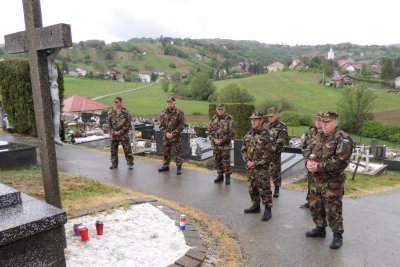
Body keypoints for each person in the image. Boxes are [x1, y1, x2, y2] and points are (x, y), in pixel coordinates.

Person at [305, 111, 353, 249]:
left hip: (332, 182)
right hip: (316, 179)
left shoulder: (343, 138)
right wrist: (309, 162)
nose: (323, 125)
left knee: (333, 209)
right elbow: (312, 152)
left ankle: (337, 235)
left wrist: (318, 166)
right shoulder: (320, 136)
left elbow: (340, 161)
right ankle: (320, 228)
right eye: (322, 122)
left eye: (327, 122)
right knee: (316, 205)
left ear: (335, 123)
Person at [242, 112, 276, 221]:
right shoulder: (249, 134)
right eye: (252, 119)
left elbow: (269, 154)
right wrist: (247, 160)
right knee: (252, 187)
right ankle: (255, 206)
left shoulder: (267, 134)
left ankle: (267, 209)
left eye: (255, 119)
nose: (253, 121)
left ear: (261, 120)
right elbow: (244, 149)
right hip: (251, 167)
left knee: (264, 188)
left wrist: (255, 163)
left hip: (262, 168)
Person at [299, 112, 324, 208]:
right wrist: (308, 159)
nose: (317, 122)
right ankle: (310, 201)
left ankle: (319, 204)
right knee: (310, 182)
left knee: (320, 184)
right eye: (316, 119)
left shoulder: (326, 134)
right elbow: (304, 146)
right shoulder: (311, 132)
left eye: (320, 120)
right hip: (310, 162)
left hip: (320, 164)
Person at [264, 107, 289, 198]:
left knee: (275, 171)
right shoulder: (266, 125)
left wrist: (271, 149)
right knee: (265, 171)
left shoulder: (281, 126)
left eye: (271, 116)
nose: (270, 118)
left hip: (275, 153)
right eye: (268, 116)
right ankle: (266, 188)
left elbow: (281, 141)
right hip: (265, 153)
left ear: (276, 116)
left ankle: (277, 189)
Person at [208, 103, 234, 185]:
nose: (220, 111)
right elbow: (209, 132)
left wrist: (221, 140)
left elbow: (231, 133)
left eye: (221, 109)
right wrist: (214, 139)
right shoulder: (213, 119)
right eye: (218, 109)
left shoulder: (229, 119)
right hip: (215, 145)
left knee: (226, 162)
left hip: (225, 145)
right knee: (217, 161)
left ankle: (227, 177)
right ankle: (220, 176)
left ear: (224, 109)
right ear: (216, 109)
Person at [158, 97, 186, 175]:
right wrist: (166, 133)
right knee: (166, 151)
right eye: (168, 103)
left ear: (174, 103)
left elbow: (181, 125)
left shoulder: (179, 113)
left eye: (171, 103)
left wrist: (173, 133)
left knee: (177, 152)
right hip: (166, 137)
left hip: (176, 137)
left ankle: (179, 168)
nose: (169, 104)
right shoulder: (163, 113)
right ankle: (166, 166)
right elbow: (161, 126)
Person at [106, 96, 134, 169]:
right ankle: (114, 163)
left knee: (127, 149)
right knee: (113, 150)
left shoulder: (126, 112)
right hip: (114, 134)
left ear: (121, 102)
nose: (115, 103)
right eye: (114, 102)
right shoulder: (110, 112)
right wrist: (113, 132)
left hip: (123, 134)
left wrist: (120, 132)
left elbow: (128, 123)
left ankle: (130, 163)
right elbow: (108, 124)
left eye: (117, 102)